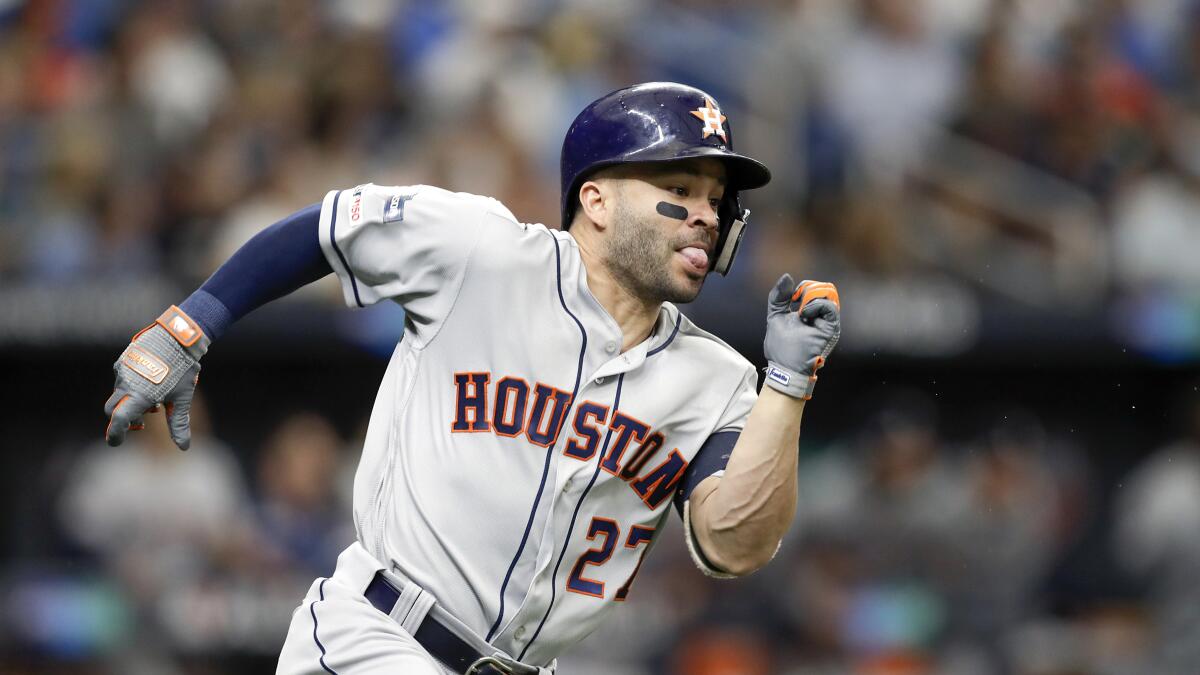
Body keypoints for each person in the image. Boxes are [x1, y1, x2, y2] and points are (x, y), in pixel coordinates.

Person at [102, 82, 842, 675]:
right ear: (596, 199)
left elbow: (732, 545)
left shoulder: (715, 380)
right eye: (680, 185)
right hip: (381, 639)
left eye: (718, 199)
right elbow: (328, 228)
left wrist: (787, 383)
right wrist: (187, 326)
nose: (707, 215)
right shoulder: (481, 251)